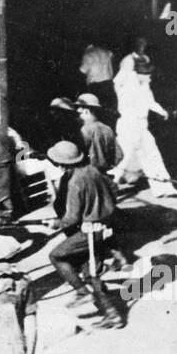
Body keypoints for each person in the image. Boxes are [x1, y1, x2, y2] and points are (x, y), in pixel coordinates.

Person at [47, 141, 126, 329]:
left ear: (61, 163)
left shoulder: (75, 181)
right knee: (90, 271)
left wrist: (56, 223)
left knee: (57, 256)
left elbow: (72, 218)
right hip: (105, 228)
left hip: (89, 231)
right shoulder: (94, 170)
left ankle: (82, 292)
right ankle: (112, 314)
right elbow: (114, 189)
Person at [112, 55, 172, 189]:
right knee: (123, 158)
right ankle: (109, 184)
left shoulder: (145, 86)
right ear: (139, 74)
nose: (150, 78)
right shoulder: (126, 86)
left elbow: (150, 102)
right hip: (128, 125)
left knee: (152, 154)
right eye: (147, 75)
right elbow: (117, 81)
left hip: (141, 126)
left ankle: (164, 187)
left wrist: (162, 111)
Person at [73, 93, 122, 173]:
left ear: (86, 111)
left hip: (90, 174)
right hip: (105, 174)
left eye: (79, 109)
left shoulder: (85, 130)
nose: (77, 111)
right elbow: (119, 155)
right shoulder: (107, 128)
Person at [79, 41, 116, 115]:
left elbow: (82, 70)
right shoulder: (106, 52)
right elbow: (111, 71)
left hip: (95, 87)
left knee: (95, 112)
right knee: (107, 112)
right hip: (108, 85)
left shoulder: (88, 54)